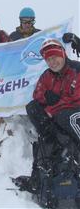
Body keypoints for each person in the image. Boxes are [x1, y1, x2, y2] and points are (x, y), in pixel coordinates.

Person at [14, 38, 80, 195]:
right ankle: (52, 146)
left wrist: (53, 107)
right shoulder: (47, 76)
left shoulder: (77, 69)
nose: (52, 62)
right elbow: (37, 93)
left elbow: (74, 98)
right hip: (59, 115)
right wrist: (47, 98)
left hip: (75, 113)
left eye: (55, 57)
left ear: (63, 54)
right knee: (33, 108)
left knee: (65, 116)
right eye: (48, 59)